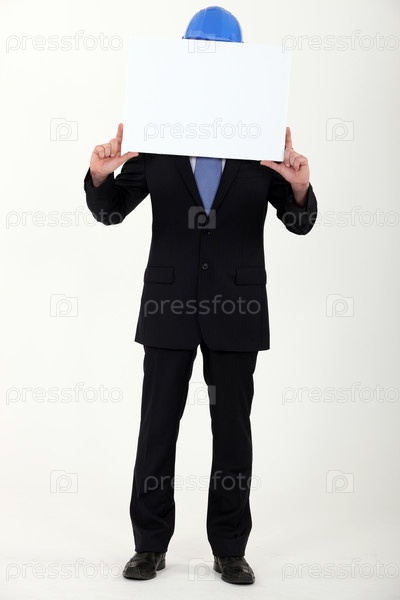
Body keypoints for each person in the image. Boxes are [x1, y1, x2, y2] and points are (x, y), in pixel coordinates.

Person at [84, 5, 318, 586]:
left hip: (238, 307)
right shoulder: (156, 132)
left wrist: (298, 188)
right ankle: (149, 544)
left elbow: (299, 223)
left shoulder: (262, 135)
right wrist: (100, 176)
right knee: (156, 426)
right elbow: (111, 212)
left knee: (232, 431)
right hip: (168, 306)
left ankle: (230, 548)